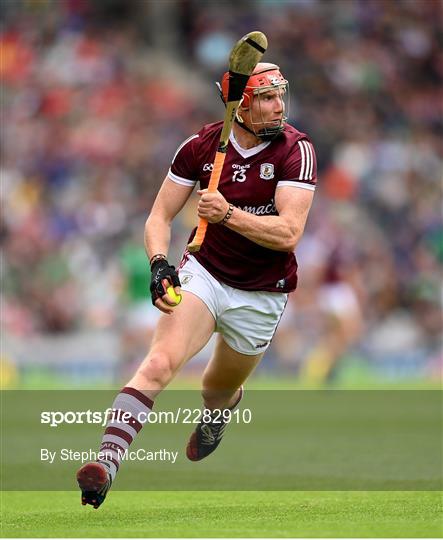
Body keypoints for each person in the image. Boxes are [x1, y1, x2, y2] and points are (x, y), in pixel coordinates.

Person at [77, 62, 317, 508]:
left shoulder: (295, 149)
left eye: (281, 94)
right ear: (239, 106)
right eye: (267, 97)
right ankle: (106, 464)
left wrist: (226, 214)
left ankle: (218, 414)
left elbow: (288, 233)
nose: (279, 105)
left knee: (217, 389)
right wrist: (158, 262)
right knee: (158, 364)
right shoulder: (201, 146)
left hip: (263, 291)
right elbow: (159, 216)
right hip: (205, 273)